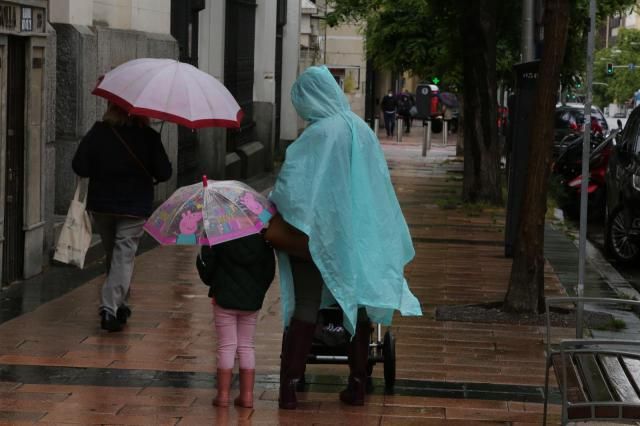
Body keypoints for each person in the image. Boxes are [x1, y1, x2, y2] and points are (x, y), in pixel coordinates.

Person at [263, 66, 422, 410]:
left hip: (312, 238)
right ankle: (358, 384)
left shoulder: (317, 135)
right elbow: (377, 184)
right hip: (357, 237)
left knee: (306, 305)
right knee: (358, 302)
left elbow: (291, 189)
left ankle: (289, 387)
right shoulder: (362, 130)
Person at [72, 102, 172, 332]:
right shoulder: (148, 136)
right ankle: (109, 307)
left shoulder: (99, 132)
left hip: (102, 206)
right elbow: (164, 173)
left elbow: (80, 166)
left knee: (114, 254)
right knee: (123, 256)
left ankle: (120, 304)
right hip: (133, 207)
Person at [196, 234, 275, 408]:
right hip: (252, 301)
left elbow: (207, 274)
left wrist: (203, 254)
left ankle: (223, 395)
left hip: (223, 298)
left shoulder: (218, 236)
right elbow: (269, 272)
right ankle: (247, 396)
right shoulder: (262, 239)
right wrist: (258, 291)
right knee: (247, 346)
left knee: (226, 345)